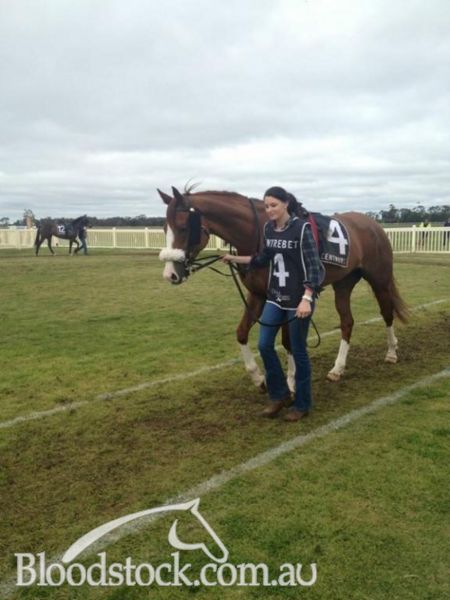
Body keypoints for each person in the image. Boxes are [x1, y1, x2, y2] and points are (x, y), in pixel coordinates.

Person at [222, 186, 325, 422]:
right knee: (264, 345)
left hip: (298, 301)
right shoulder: (269, 229)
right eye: (266, 206)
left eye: (274, 205)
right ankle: (279, 395)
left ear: (286, 203)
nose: (269, 210)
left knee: (298, 350)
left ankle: (302, 404)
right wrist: (234, 258)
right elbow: (264, 257)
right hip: (276, 297)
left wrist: (307, 298)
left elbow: (314, 266)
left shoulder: (302, 229)